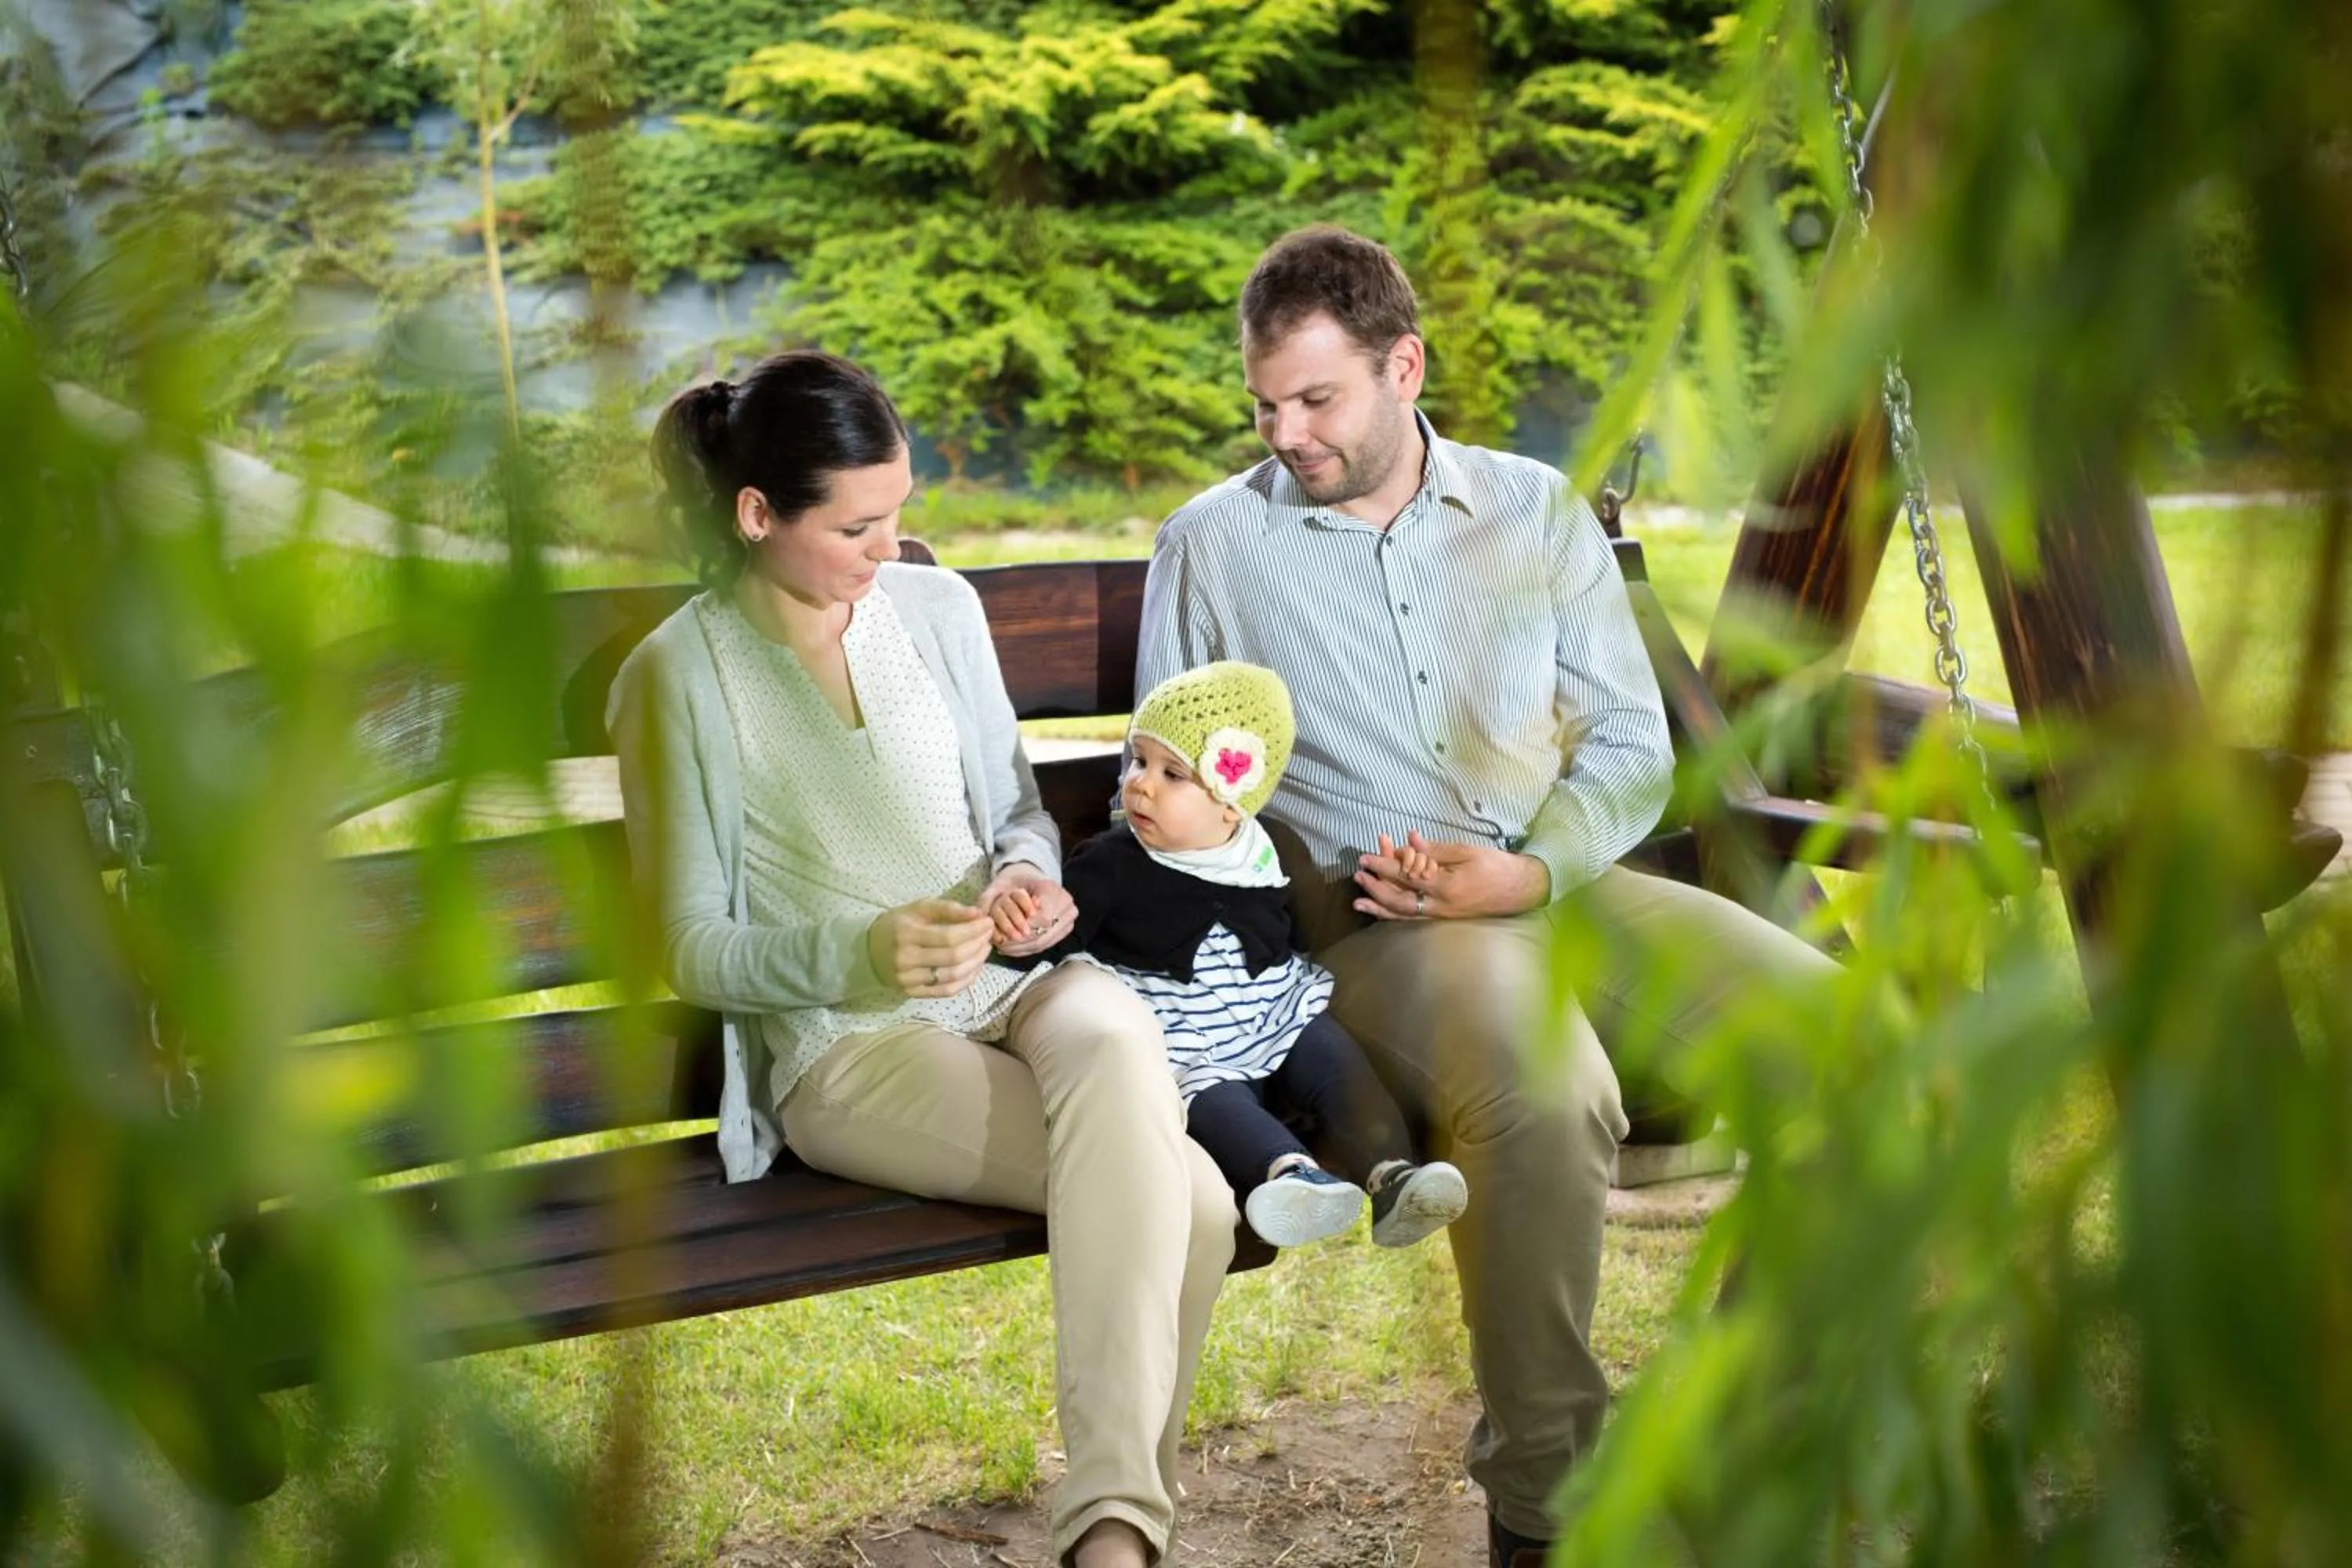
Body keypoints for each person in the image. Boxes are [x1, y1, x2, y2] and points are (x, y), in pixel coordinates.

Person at [1136, 226, 1842, 1566]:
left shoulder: (1534, 509)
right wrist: (1298, 871)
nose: (1286, 431)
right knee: (1544, 1089)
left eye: (1317, 398)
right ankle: (1548, 1505)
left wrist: (1526, 865)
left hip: (1555, 882)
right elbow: (1176, 795)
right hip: (1372, 920)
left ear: (1404, 367)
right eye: (1265, 402)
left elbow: (1634, 750)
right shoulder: (1212, 549)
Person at [608, 350, 1233, 1568]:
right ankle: (1122, 1535)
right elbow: (686, 948)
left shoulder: (936, 611)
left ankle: (1114, 1538)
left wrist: (1022, 879)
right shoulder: (673, 680)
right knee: (1196, 1201)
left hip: (1019, 989)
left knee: (1113, 1030)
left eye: (901, 513)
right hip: (852, 1049)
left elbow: (1015, 812)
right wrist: (861, 949)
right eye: (859, 525)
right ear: (755, 516)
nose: (893, 549)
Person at [999, 659, 1470, 1250]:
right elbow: (1060, 935)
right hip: (1184, 1036)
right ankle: (1289, 1177)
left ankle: (1392, 1175)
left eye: (1174, 774)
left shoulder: (1270, 849)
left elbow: (1312, 921)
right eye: (1140, 761)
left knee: (1333, 1056)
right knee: (1209, 1098)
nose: (1141, 784)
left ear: (1233, 802)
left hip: (1272, 1010)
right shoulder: (1112, 864)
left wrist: (1382, 888)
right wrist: (1023, 931)